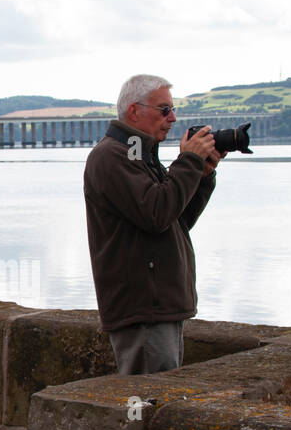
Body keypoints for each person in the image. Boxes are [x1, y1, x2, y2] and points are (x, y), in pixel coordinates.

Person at [84, 74, 226, 375]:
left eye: (172, 109)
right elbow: (157, 214)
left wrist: (201, 176)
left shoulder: (139, 155)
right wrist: (188, 162)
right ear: (134, 111)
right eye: (164, 110)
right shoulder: (111, 157)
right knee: (149, 404)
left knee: (156, 398)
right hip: (144, 309)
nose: (173, 118)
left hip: (158, 307)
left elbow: (177, 220)